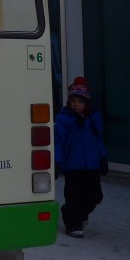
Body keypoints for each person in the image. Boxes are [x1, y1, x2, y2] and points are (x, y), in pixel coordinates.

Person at [54, 76, 107, 239]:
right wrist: (57, 161)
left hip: (91, 164)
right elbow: (58, 142)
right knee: (74, 196)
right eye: (73, 101)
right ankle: (73, 224)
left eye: (80, 101)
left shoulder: (93, 118)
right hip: (73, 165)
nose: (76, 105)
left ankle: (79, 215)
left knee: (95, 196)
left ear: (86, 103)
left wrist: (103, 158)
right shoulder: (64, 119)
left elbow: (98, 139)